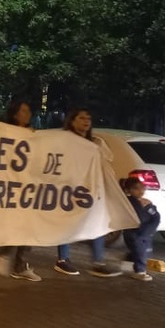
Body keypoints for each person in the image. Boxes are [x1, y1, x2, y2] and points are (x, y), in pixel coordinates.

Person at [53, 106, 122, 278]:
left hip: (90, 191)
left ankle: (98, 262)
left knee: (96, 224)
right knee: (67, 223)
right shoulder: (65, 141)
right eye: (82, 118)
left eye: (88, 119)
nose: (86, 122)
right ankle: (63, 260)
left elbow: (106, 163)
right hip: (69, 190)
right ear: (72, 121)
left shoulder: (96, 143)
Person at [0, 99, 41, 282]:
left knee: (28, 227)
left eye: (29, 111)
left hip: (28, 187)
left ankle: (18, 264)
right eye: (24, 110)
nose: (27, 114)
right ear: (15, 114)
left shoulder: (33, 134)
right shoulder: (5, 132)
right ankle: (5, 253)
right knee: (19, 226)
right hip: (11, 186)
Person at [122, 177, 160, 281]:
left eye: (142, 188)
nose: (140, 191)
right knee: (140, 250)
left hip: (145, 232)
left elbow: (155, 217)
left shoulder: (147, 203)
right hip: (134, 232)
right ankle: (139, 270)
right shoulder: (127, 202)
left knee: (144, 251)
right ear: (129, 190)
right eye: (136, 188)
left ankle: (130, 260)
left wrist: (150, 229)